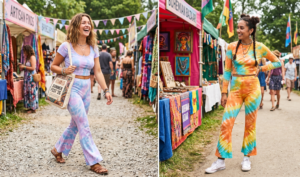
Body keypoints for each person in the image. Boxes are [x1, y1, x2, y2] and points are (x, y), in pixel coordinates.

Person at [205, 14, 281, 174]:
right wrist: (224, 92)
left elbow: (276, 61)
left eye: (241, 28)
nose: (238, 30)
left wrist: (261, 68)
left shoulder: (260, 47)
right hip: (236, 89)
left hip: (253, 88)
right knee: (226, 123)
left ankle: (247, 157)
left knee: (250, 124)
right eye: (238, 27)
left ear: (250, 30)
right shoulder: (232, 47)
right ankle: (220, 160)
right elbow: (226, 71)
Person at [50, 13, 113, 175]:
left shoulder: (94, 48)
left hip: (87, 88)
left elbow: (98, 71)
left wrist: (106, 90)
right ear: (76, 26)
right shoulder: (66, 46)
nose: (87, 25)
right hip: (72, 88)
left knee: (75, 124)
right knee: (83, 124)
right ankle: (94, 161)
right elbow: (53, 66)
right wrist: (64, 69)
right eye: (83, 22)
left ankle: (57, 149)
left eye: (89, 23)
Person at [18, 45, 39, 113]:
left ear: (27, 50)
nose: (24, 52)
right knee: (28, 92)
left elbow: (33, 68)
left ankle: (33, 108)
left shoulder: (32, 57)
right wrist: (22, 65)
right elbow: (27, 66)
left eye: (24, 51)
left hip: (31, 77)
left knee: (32, 92)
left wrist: (24, 67)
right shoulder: (27, 58)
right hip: (27, 77)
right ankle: (30, 107)